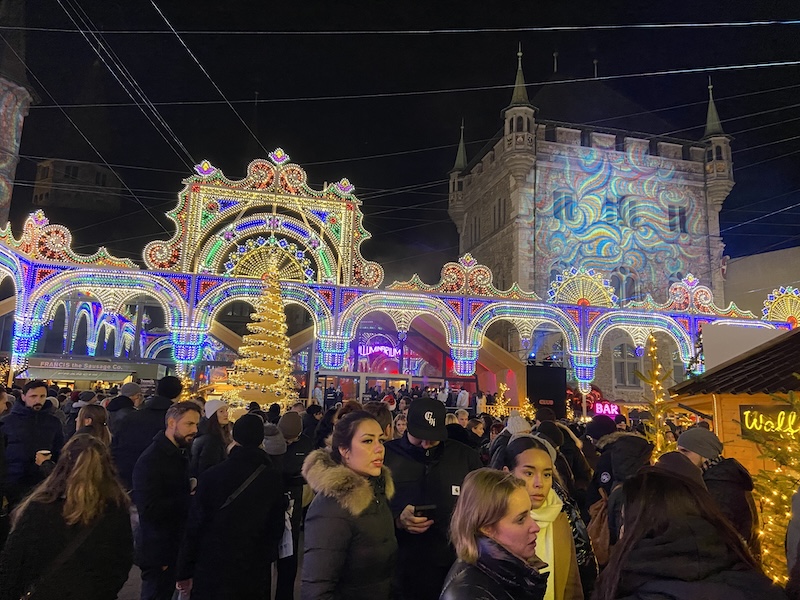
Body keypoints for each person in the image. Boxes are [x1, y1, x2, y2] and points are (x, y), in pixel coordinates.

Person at [592, 469, 785, 600]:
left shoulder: (630, 585)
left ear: (643, 529)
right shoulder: (762, 587)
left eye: (625, 521)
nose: (621, 531)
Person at [0, 434, 133, 599]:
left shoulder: (40, 508)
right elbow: (122, 562)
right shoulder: (115, 510)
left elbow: (12, 563)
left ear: (63, 464)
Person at [176, 414, 287, 599]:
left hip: (213, 565)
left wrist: (184, 570)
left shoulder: (212, 476)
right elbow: (276, 527)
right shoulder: (272, 478)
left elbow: (195, 526)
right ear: (261, 440)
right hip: (253, 568)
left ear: (235, 437)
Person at [384, 397, 483, 600]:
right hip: (398, 566)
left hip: (452, 566)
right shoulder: (386, 456)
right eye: (419, 437)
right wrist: (397, 519)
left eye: (432, 437)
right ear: (406, 427)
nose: (426, 444)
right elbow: (368, 508)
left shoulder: (464, 457)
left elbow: (482, 505)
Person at [301, 410, 397, 599]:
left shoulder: (375, 491)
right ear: (344, 450)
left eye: (381, 440)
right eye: (368, 441)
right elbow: (317, 590)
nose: (379, 449)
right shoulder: (331, 508)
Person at [440, 468, 548, 600]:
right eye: (521, 519)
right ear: (486, 528)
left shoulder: (511, 571)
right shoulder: (469, 594)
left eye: (530, 514)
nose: (535, 527)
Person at [500, 434, 584, 600]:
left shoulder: (560, 516)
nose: (539, 483)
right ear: (507, 473)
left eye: (547, 474)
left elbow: (571, 583)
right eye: (529, 473)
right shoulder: (495, 523)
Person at [132, 401, 201, 600]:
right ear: (172, 423)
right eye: (189, 424)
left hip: (171, 546)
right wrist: (188, 500)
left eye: (196, 424)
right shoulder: (153, 460)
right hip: (159, 550)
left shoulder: (178, 453)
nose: (195, 430)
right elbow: (149, 509)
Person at [677, 427, 761, 557]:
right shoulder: (715, 478)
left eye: (685, 451)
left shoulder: (720, 486)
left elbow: (716, 538)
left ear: (704, 453)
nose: (680, 457)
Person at [112, 375, 183, 489]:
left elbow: (116, 445)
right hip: (159, 480)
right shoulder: (175, 422)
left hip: (126, 476)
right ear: (179, 394)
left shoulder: (132, 416)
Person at [2, 380, 64, 506]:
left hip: (43, 481)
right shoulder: (8, 422)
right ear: (23, 396)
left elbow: (59, 450)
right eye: (33, 396)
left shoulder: (53, 422)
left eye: (42, 396)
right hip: (14, 482)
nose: (38, 400)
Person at [276, 409, 315, 600]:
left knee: (289, 553)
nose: (288, 443)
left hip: (295, 502)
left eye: (292, 439)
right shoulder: (271, 440)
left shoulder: (307, 443)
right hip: (272, 500)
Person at [190, 399, 232, 477]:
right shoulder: (211, 440)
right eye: (221, 411)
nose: (226, 414)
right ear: (213, 415)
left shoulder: (218, 435)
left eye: (226, 410)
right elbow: (208, 467)